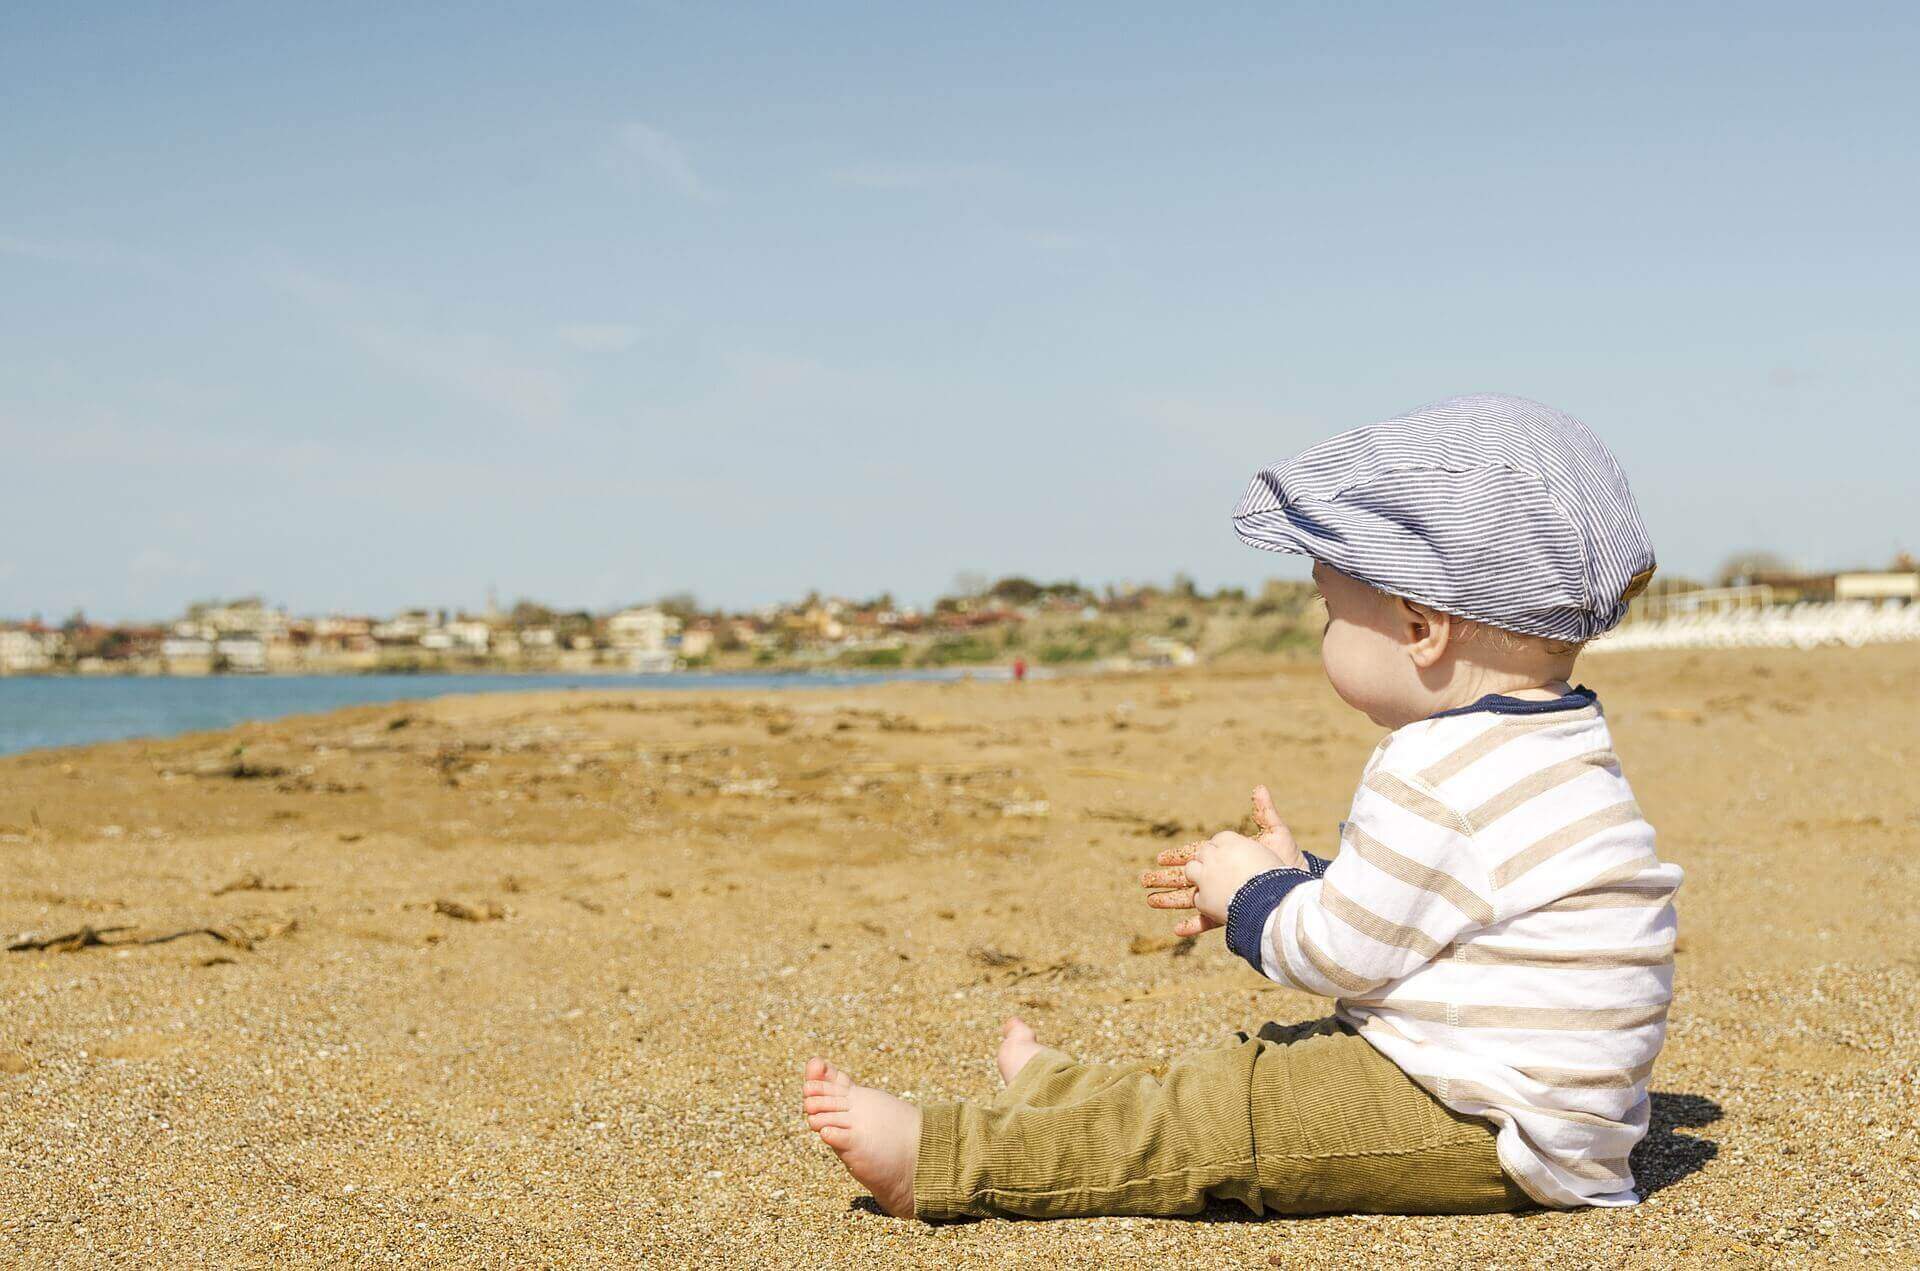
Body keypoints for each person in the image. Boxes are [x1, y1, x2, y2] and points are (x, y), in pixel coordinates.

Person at [801, 393, 1679, 1219]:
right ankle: (1065, 1097)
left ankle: (948, 1158)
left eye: (1333, 609)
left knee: (1226, 1115)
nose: (1324, 629)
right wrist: (1309, 878)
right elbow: (1442, 912)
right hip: (1546, 1109)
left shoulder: (1431, 766)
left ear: (1421, 627)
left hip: (1485, 1123)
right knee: (1257, 1065)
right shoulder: (1561, 742)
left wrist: (1251, 900)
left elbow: (1341, 956)